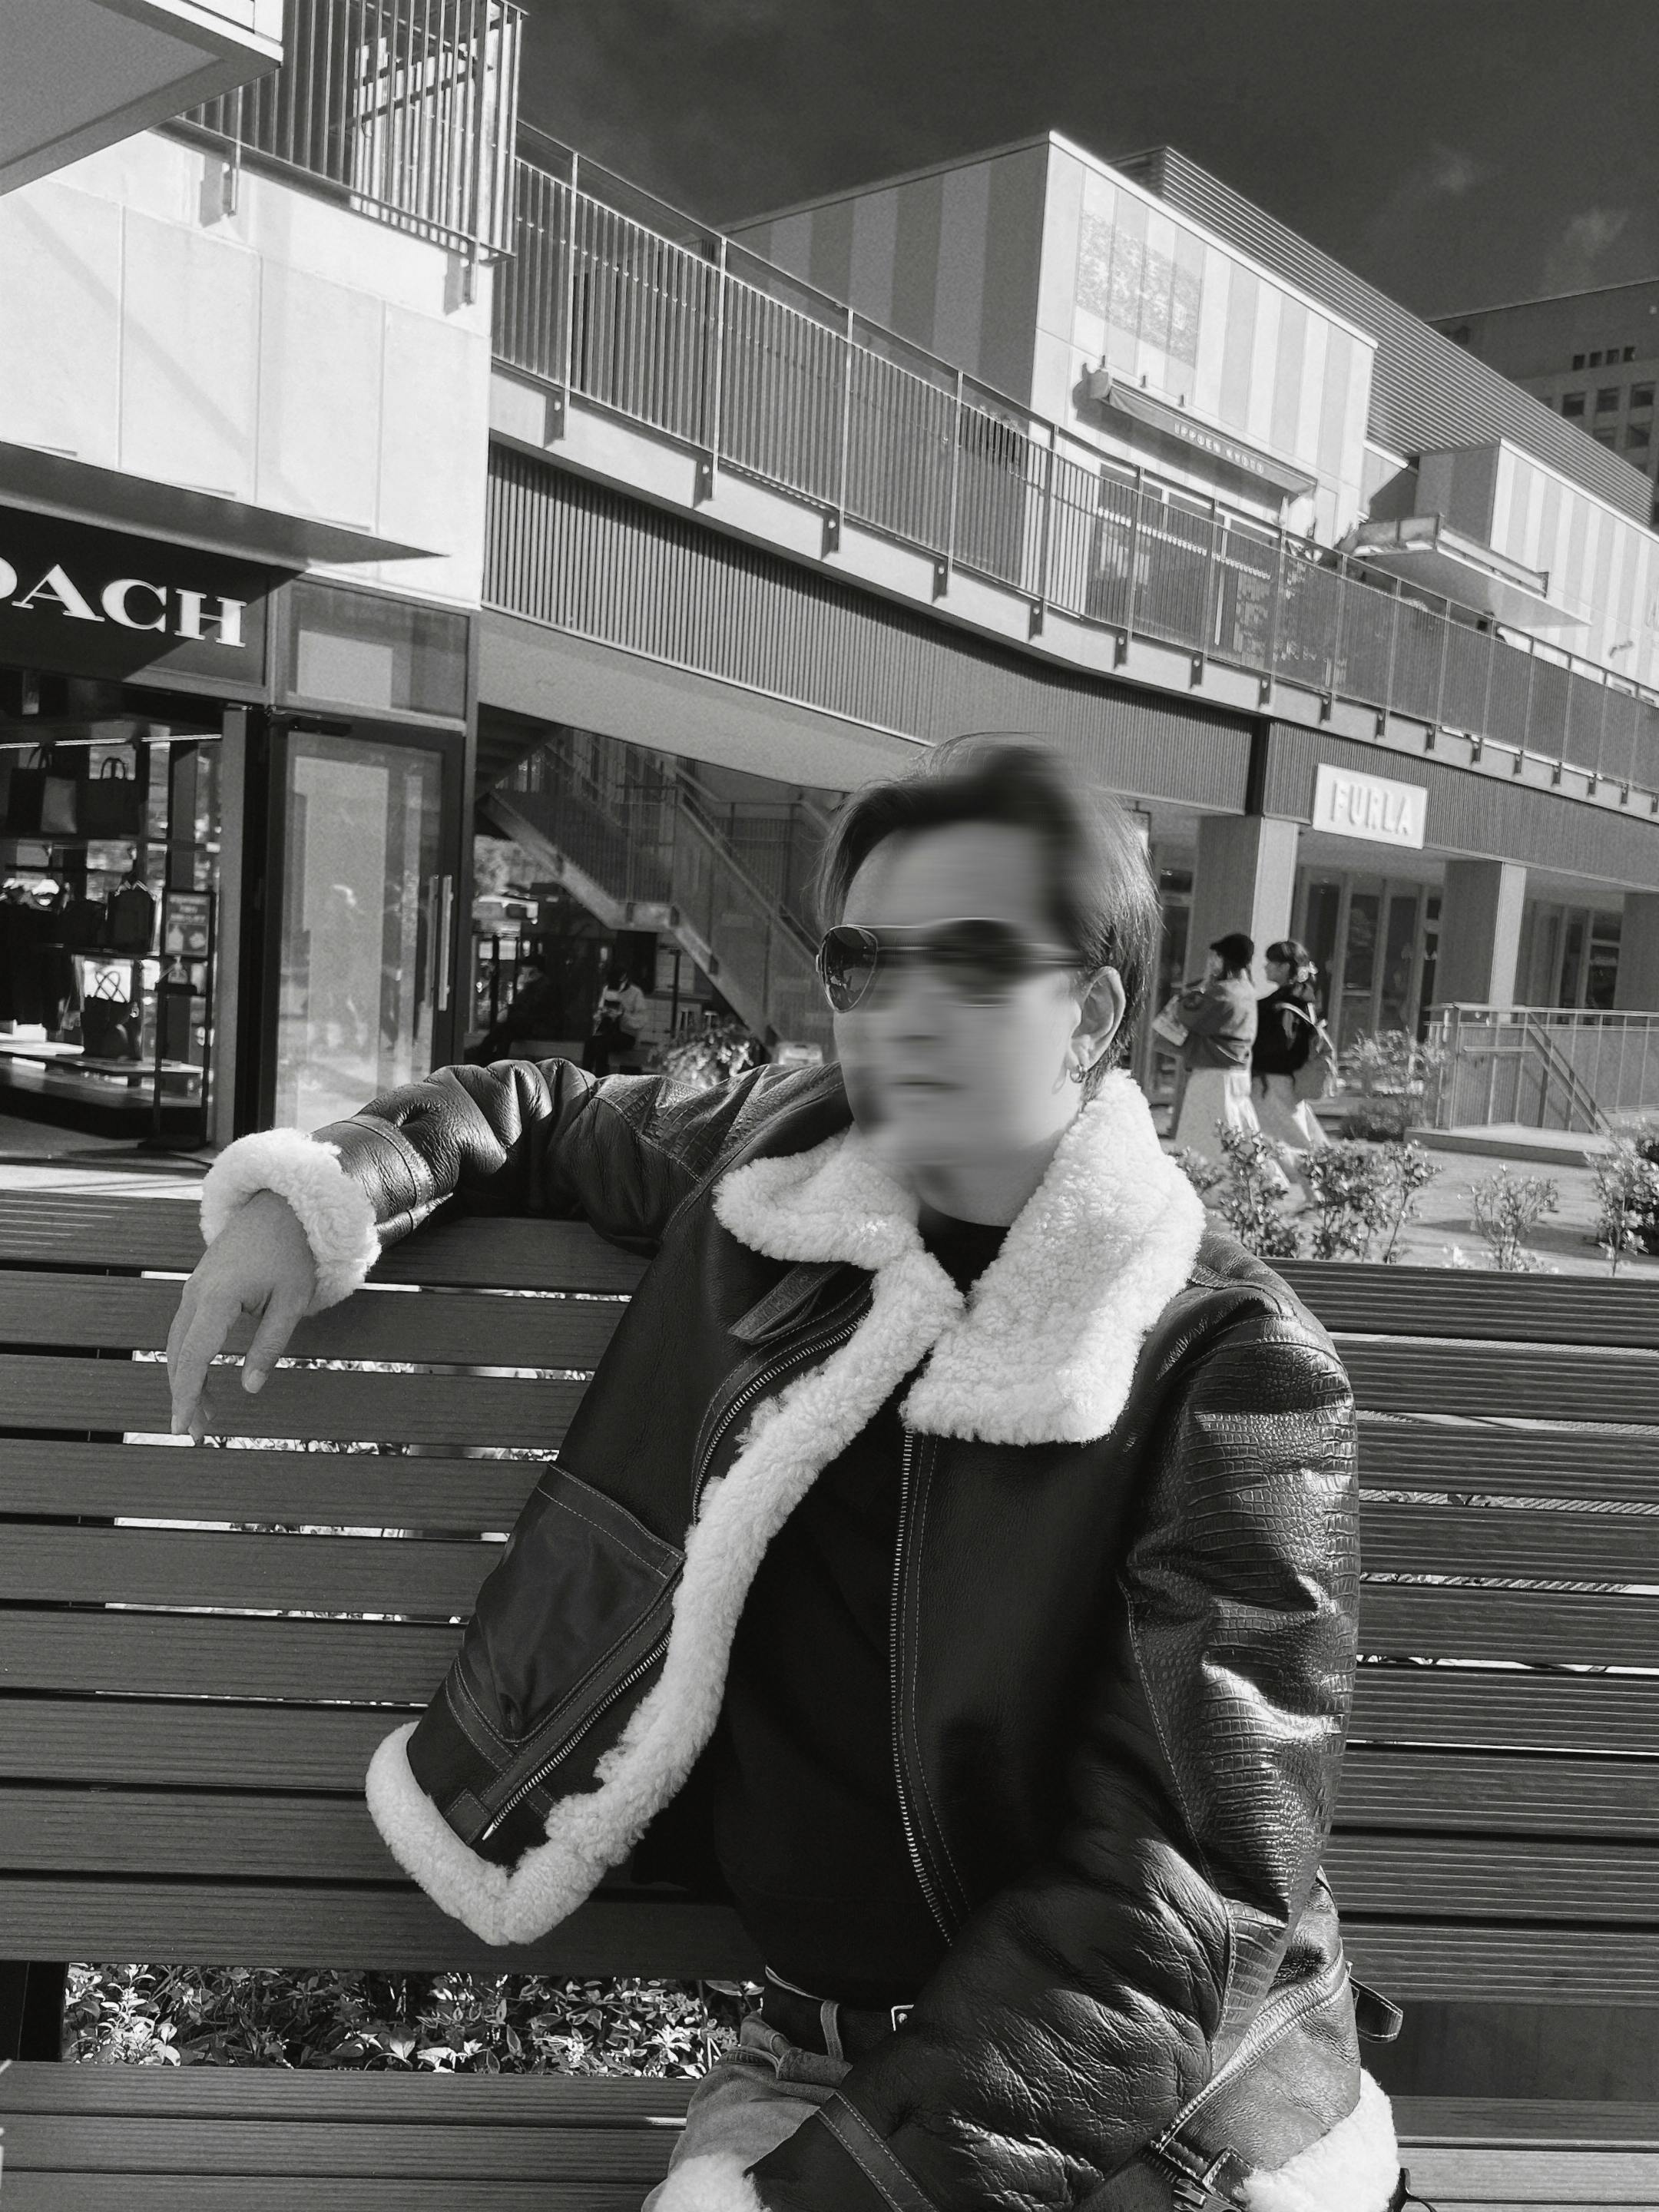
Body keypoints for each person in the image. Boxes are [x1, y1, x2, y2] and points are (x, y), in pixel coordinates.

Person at [166, 739, 1413, 2212]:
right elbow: (543, 1107)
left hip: (1156, 2090)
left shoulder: (1227, 1364)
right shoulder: (785, 1165)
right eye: (860, 961)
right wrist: (320, 1199)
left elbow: (1175, 1905)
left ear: (1090, 1014)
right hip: (819, 2058)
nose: (892, 1012)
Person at [1168, 930, 1274, 1164]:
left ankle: (1205, 1177)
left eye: (1215, 957)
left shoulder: (1223, 992)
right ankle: (1250, 1175)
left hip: (1214, 1072)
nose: (1211, 961)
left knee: (1205, 1135)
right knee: (1239, 1131)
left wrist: (1201, 986)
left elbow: (1187, 1014)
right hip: (1238, 1071)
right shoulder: (1248, 989)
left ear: (1223, 958)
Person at [1253, 939, 1333, 1171]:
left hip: (1273, 1082)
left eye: (1271, 962)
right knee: (1291, 1139)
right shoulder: (1303, 1000)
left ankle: (1313, 1181)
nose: (1266, 967)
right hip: (1287, 1081)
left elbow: (1278, 1046)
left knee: (1289, 1143)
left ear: (1285, 967)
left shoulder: (1282, 1006)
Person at [583, 961, 650, 1076]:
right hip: (608, 1031)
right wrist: (602, 1014)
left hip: (627, 1035)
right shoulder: (607, 989)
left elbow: (641, 1020)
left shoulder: (635, 993)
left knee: (602, 1045)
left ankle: (601, 1076)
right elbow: (599, 1011)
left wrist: (623, 1014)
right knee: (590, 1043)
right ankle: (586, 1076)